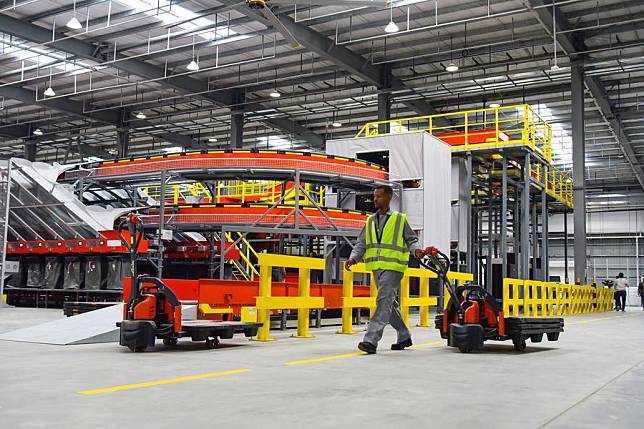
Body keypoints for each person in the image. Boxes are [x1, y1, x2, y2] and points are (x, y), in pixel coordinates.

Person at [345, 185, 424, 354]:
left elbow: (411, 240)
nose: (375, 199)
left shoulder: (399, 219)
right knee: (389, 303)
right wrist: (353, 258)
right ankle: (404, 335)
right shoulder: (370, 221)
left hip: (393, 267)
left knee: (382, 302)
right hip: (376, 267)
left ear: (388, 198)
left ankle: (371, 340)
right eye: (374, 196)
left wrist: (416, 250)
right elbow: (362, 243)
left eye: (379, 196)